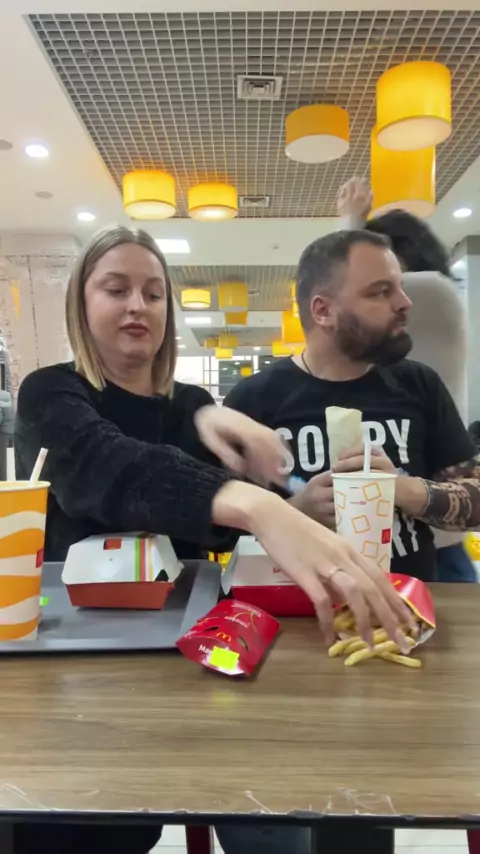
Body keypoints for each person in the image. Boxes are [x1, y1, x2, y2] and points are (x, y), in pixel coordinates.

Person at [13, 225, 410, 854]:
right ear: (80, 303)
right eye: (116, 289)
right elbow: (103, 466)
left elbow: (214, 528)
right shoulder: (49, 392)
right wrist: (253, 504)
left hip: (196, 657)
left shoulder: (191, 404)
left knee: (280, 818)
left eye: (153, 293)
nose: (138, 306)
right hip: (77, 676)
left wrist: (281, 501)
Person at [224, 229, 480, 584]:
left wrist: (400, 488)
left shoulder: (419, 384)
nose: (404, 302)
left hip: (407, 601)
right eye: (381, 291)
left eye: (399, 287)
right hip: (294, 605)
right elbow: (218, 529)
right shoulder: (253, 399)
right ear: (323, 311)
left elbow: (476, 502)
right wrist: (295, 512)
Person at [337, 177, 476, 582]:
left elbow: (342, 287)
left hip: (434, 531)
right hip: (392, 527)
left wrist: (351, 223)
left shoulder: (435, 295)